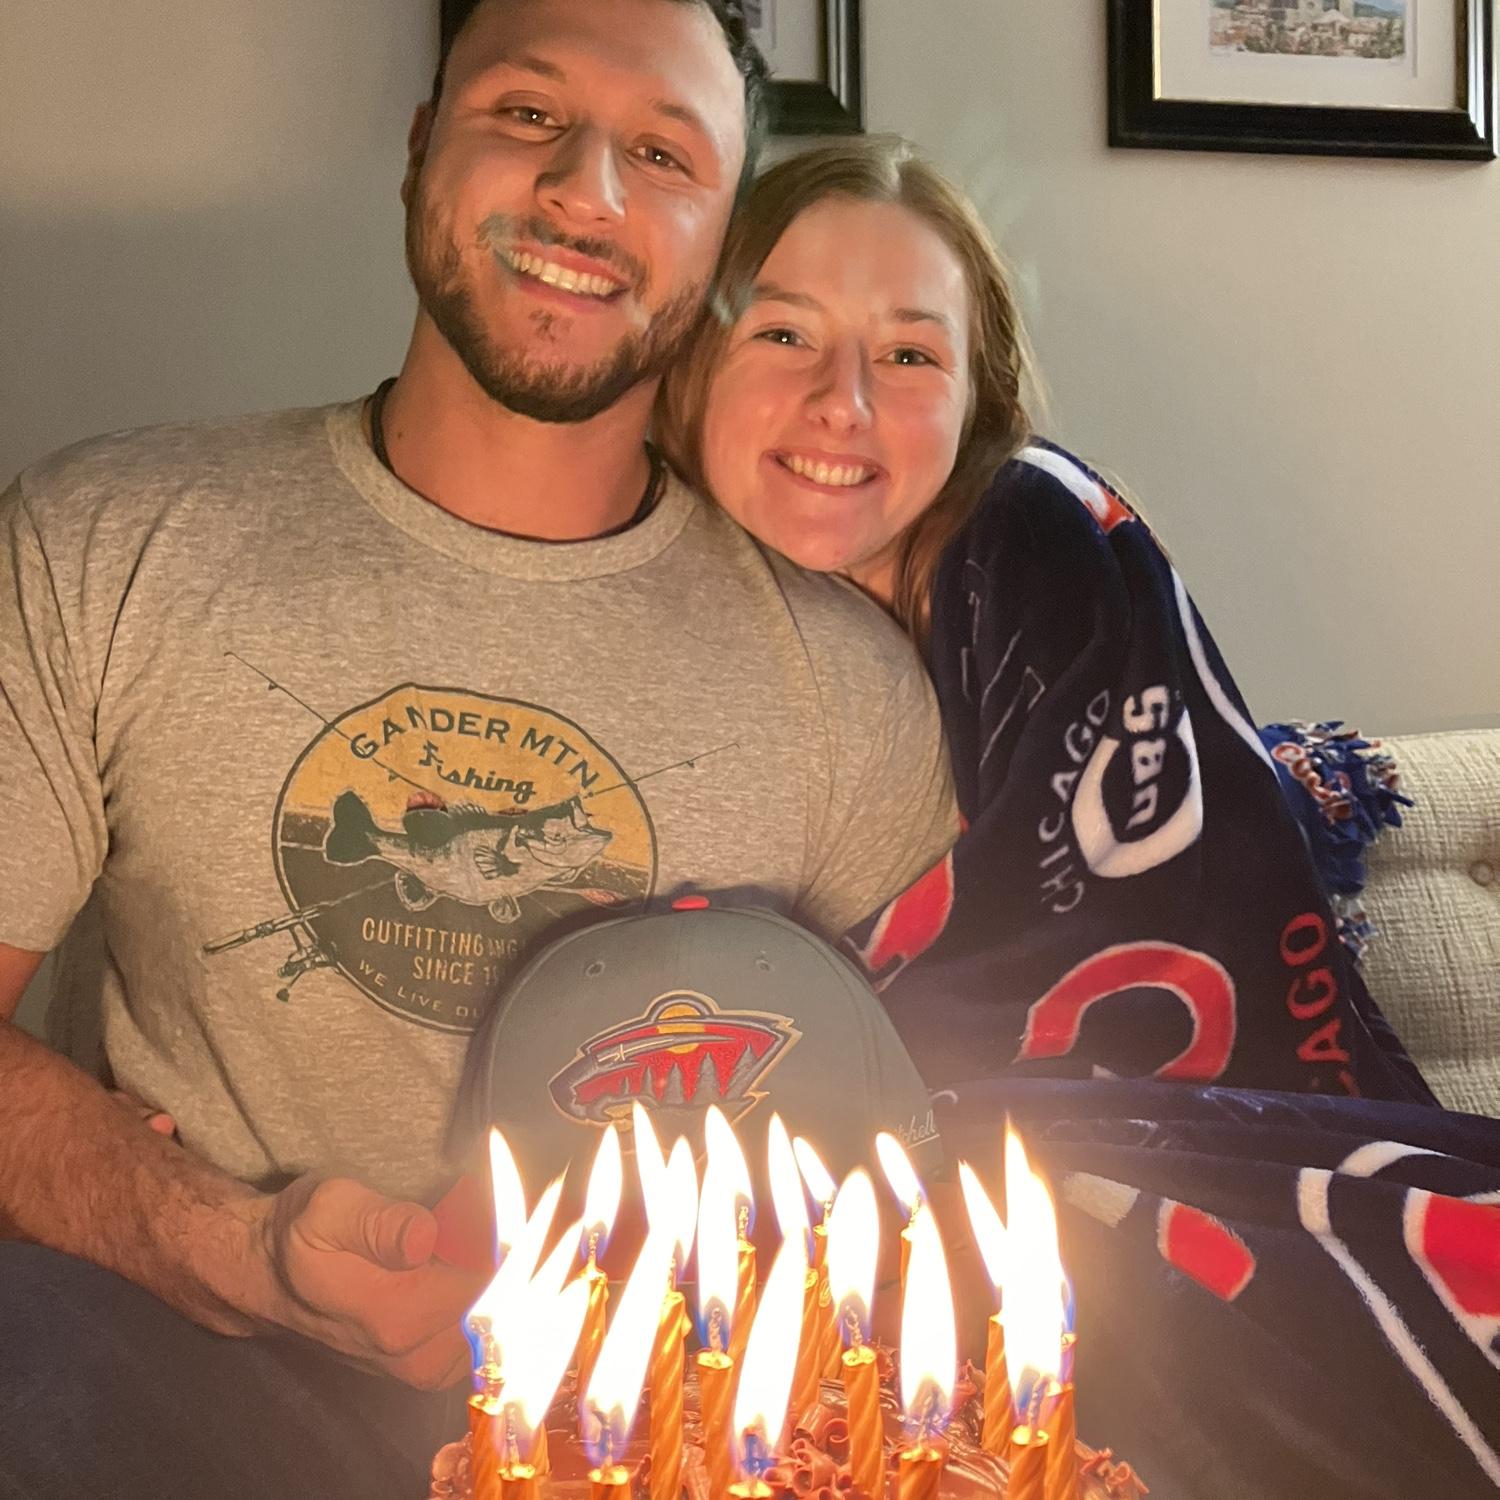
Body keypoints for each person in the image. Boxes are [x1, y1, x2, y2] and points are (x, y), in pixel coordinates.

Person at [0, 13, 957, 1498]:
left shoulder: (848, 677)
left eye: (662, 152)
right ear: (418, 151)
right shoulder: (103, 542)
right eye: (526, 113)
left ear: (720, 251)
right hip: (189, 1367)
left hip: (670, 1427)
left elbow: (933, 1143)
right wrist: (232, 1248)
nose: (587, 188)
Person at [659, 137, 1500, 1498]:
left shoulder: (1034, 528)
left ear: (981, 390)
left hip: (1160, 1118)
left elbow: (1098, 914)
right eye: (785, 332)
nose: (843, 402)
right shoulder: (656, 601)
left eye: (912, 355)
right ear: (694, 359)